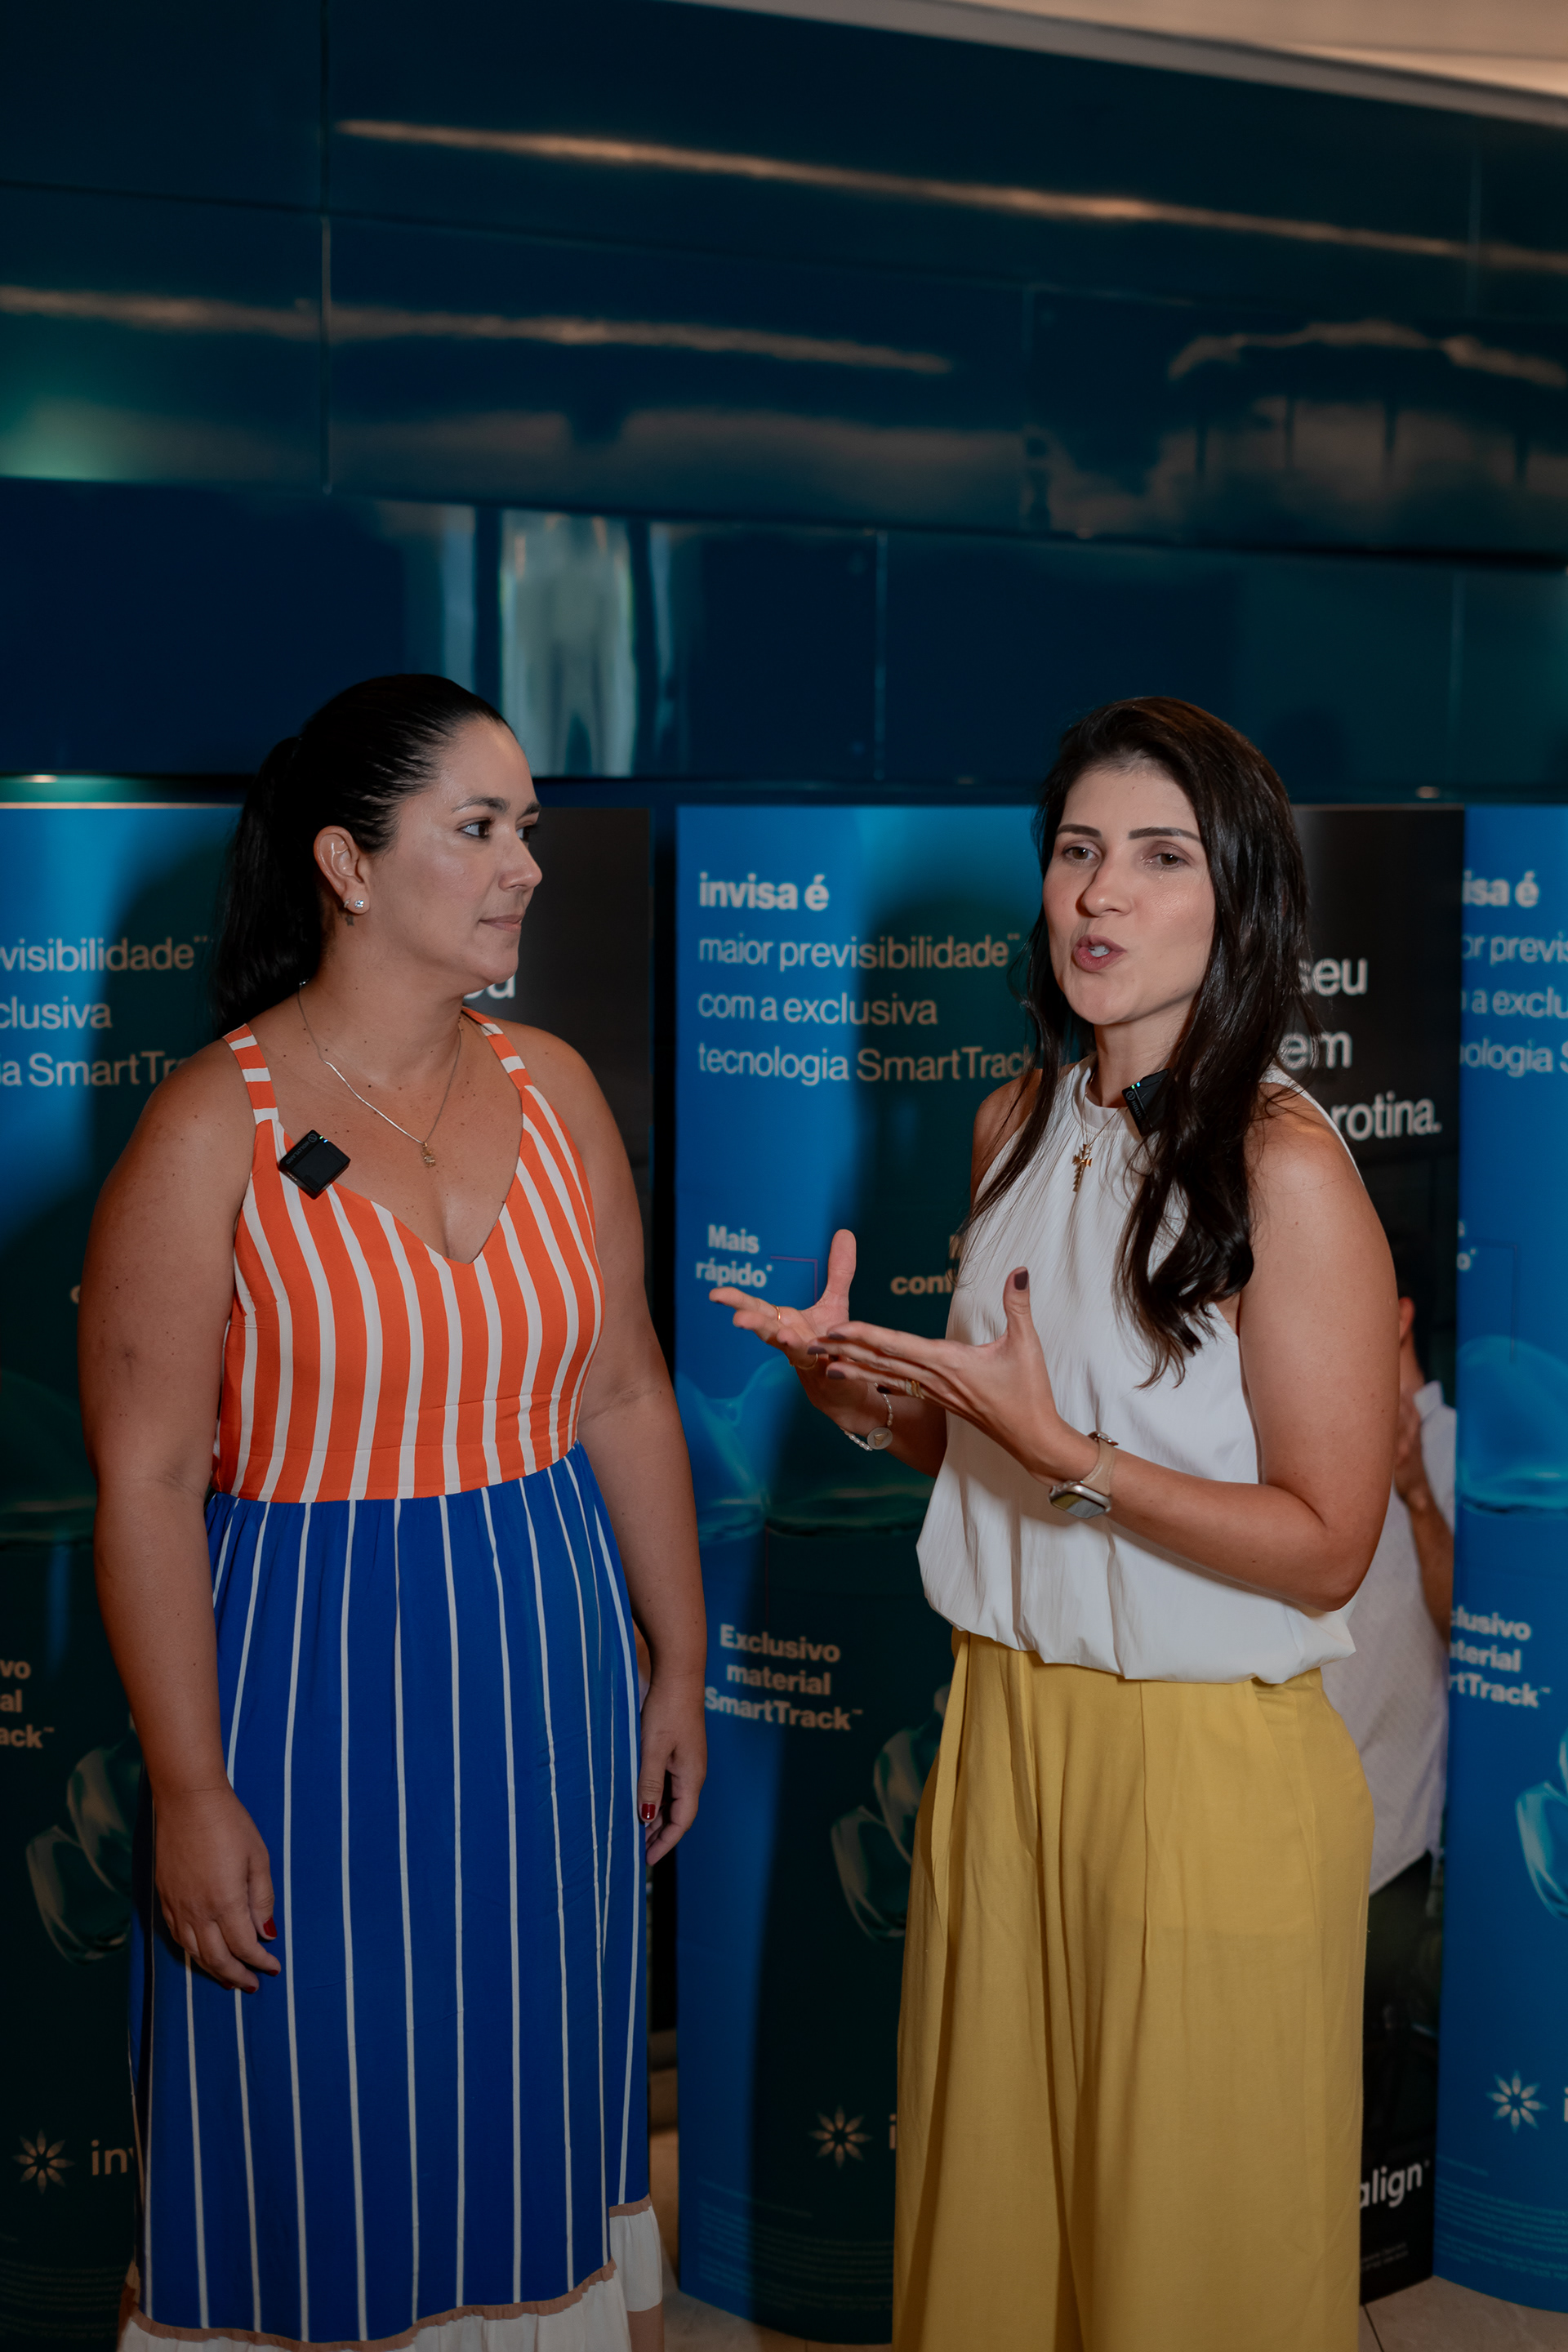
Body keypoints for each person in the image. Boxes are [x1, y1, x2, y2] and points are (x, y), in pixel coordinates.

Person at [714, 697, 1396, 2352]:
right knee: (999, 2241)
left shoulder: (1286, 1169)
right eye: (1079, 850)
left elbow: (1328, 1541)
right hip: (1003, 1741)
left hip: (1205, 1769)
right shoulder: (1012, 1123)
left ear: (1239, 900)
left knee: (1192, 2279)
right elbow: (990, 1454)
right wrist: (863, 1396)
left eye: (1160, 858)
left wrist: (1074, 1455)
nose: (1101, 893)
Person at [80, 675, 706, 2352]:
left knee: (525, 2082)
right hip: (304, 1692)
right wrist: (190, 1786)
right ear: (348, 865)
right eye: (478, 827)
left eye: (529, 828)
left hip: (546, 1668)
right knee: (310, 2107)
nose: (527, 866)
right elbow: (147, 1482)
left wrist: (679, 1660)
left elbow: (626, 1391)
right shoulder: (209, 1127)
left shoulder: (558, 1089)